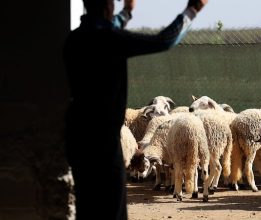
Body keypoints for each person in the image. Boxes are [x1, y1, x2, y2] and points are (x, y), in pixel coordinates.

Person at [63, 0, 208, 219]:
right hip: (102, 137)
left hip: (77, 133)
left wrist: (127, 12)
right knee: (111, 206)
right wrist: (192, 9)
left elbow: (107, 28)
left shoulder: (74, 39)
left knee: (87, 201)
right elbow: (164, 40)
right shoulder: (109, 39)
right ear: (107, 6)